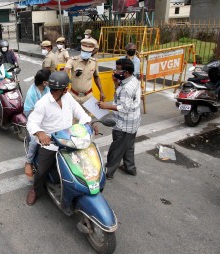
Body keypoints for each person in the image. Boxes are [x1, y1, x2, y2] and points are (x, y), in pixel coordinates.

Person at [26, 71, 95, 205]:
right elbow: (32, 122)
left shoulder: (68, 97)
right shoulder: (43, 103)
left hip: (70, 140)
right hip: (50, 143)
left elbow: (80, 112)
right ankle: (35, 190)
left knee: (83, 164)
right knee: (42, 171)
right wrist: (40, 133)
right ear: (64, 89)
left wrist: (87, 123)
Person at [97, 58, 141, 179]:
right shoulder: (132, 80)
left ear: (126, 72)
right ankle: (130, 168)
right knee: (129, 146)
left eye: (117, 69)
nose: (114, 71)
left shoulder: (127, 88)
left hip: (124, 124)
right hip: (133, 122)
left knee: (116, 149)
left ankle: (108, 172)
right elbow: (123, 97)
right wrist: (115, 82)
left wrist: (107, 106)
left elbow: (125, 107)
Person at [23, 69, 51, 178]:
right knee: (35, 141)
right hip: (35, 120)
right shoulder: (31, 93)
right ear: (44, 82)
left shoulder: (48, 89)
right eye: (49, 80)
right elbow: (28, 111)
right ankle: (29, 162)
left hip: (47, 119)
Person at [64, 38, 105, 107]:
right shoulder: (72, 60)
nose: (86, 53)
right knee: (72, 117)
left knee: (87, 117)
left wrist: (101, 91)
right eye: (84, 51)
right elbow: (65, 72)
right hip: (74, 96)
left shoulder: (94, 62)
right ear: (81, 49)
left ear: (92, 51)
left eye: (88, 52)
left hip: (88, 97)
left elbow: (96, 77)